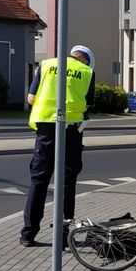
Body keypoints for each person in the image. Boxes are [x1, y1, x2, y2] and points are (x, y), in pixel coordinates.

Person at [20, 45, 95, 248]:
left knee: (39, 181)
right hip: (71, 132)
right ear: (86, 60)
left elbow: (31, 98)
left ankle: (28, 234)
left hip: (45, 131)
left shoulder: (46, 65)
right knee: (67, 183)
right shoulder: (87, 72)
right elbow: (88, 104)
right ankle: (62, 237)